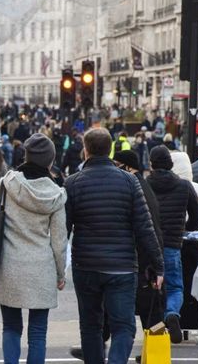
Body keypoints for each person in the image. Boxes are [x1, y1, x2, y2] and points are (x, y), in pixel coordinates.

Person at [65, 128, 164, 363]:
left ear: (85, 150)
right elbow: (145, 228)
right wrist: (158, 265)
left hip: (86, 264)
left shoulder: (73, 183)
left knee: (90, 326)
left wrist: (59, 267)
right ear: (110, 149)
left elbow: (63, 231)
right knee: (123, 327)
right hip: (122, 266)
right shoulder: (129, 181)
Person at [0, 133, 67, 364]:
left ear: (26, 156)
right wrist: (60, 273)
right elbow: (59, 241)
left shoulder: (7, 183)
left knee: (11, 327)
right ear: (50, 161)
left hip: (8, 265)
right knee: (38, 332)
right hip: (41, 268)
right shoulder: (57, 194)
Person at [113, 150, 165, 363]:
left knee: (141, 311)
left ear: (127, 166)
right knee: (148, 310)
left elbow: (146, 228)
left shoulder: (134, 187)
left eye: (117, 164)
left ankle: (154, 355)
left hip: (141, 260)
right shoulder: (143, 185)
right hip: (147, 259)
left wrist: (154, 263)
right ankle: (152, 354)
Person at [147, 145, 198, 343]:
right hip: (172, 243)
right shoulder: (184, 186)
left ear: (151, 163)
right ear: (170, 164)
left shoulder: (145, 185)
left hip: (149, 245)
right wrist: (185, 229)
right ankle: (172, 313)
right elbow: (196, 214)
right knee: (175, 287)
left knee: (151, 289)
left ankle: (154, 334)